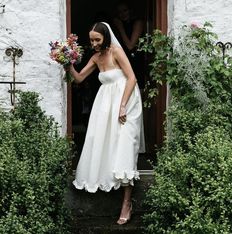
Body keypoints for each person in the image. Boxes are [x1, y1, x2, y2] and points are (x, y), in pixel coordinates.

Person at [67, 22, 145, 225]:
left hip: (125, 100)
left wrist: (122, 106)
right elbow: (79, 78)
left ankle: (126, 203)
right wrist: (67, 62)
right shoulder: (95, 57)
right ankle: (111, 183)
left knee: (125, 145)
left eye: (97, 40)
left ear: (106, 38)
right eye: (91, 40)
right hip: (105, 102)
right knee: (105, 141)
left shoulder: (116, 52)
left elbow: (132, 78)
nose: (93, 43)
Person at [113, 1, 145, 89]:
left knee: (136, 87)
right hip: (122, 60)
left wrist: (120, 28)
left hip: (135, 60)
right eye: (119, 12)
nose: (122, 14)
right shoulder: (119, 24)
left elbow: (130, 46)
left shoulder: (137, 22)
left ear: (130, 10)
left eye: (125, 10)